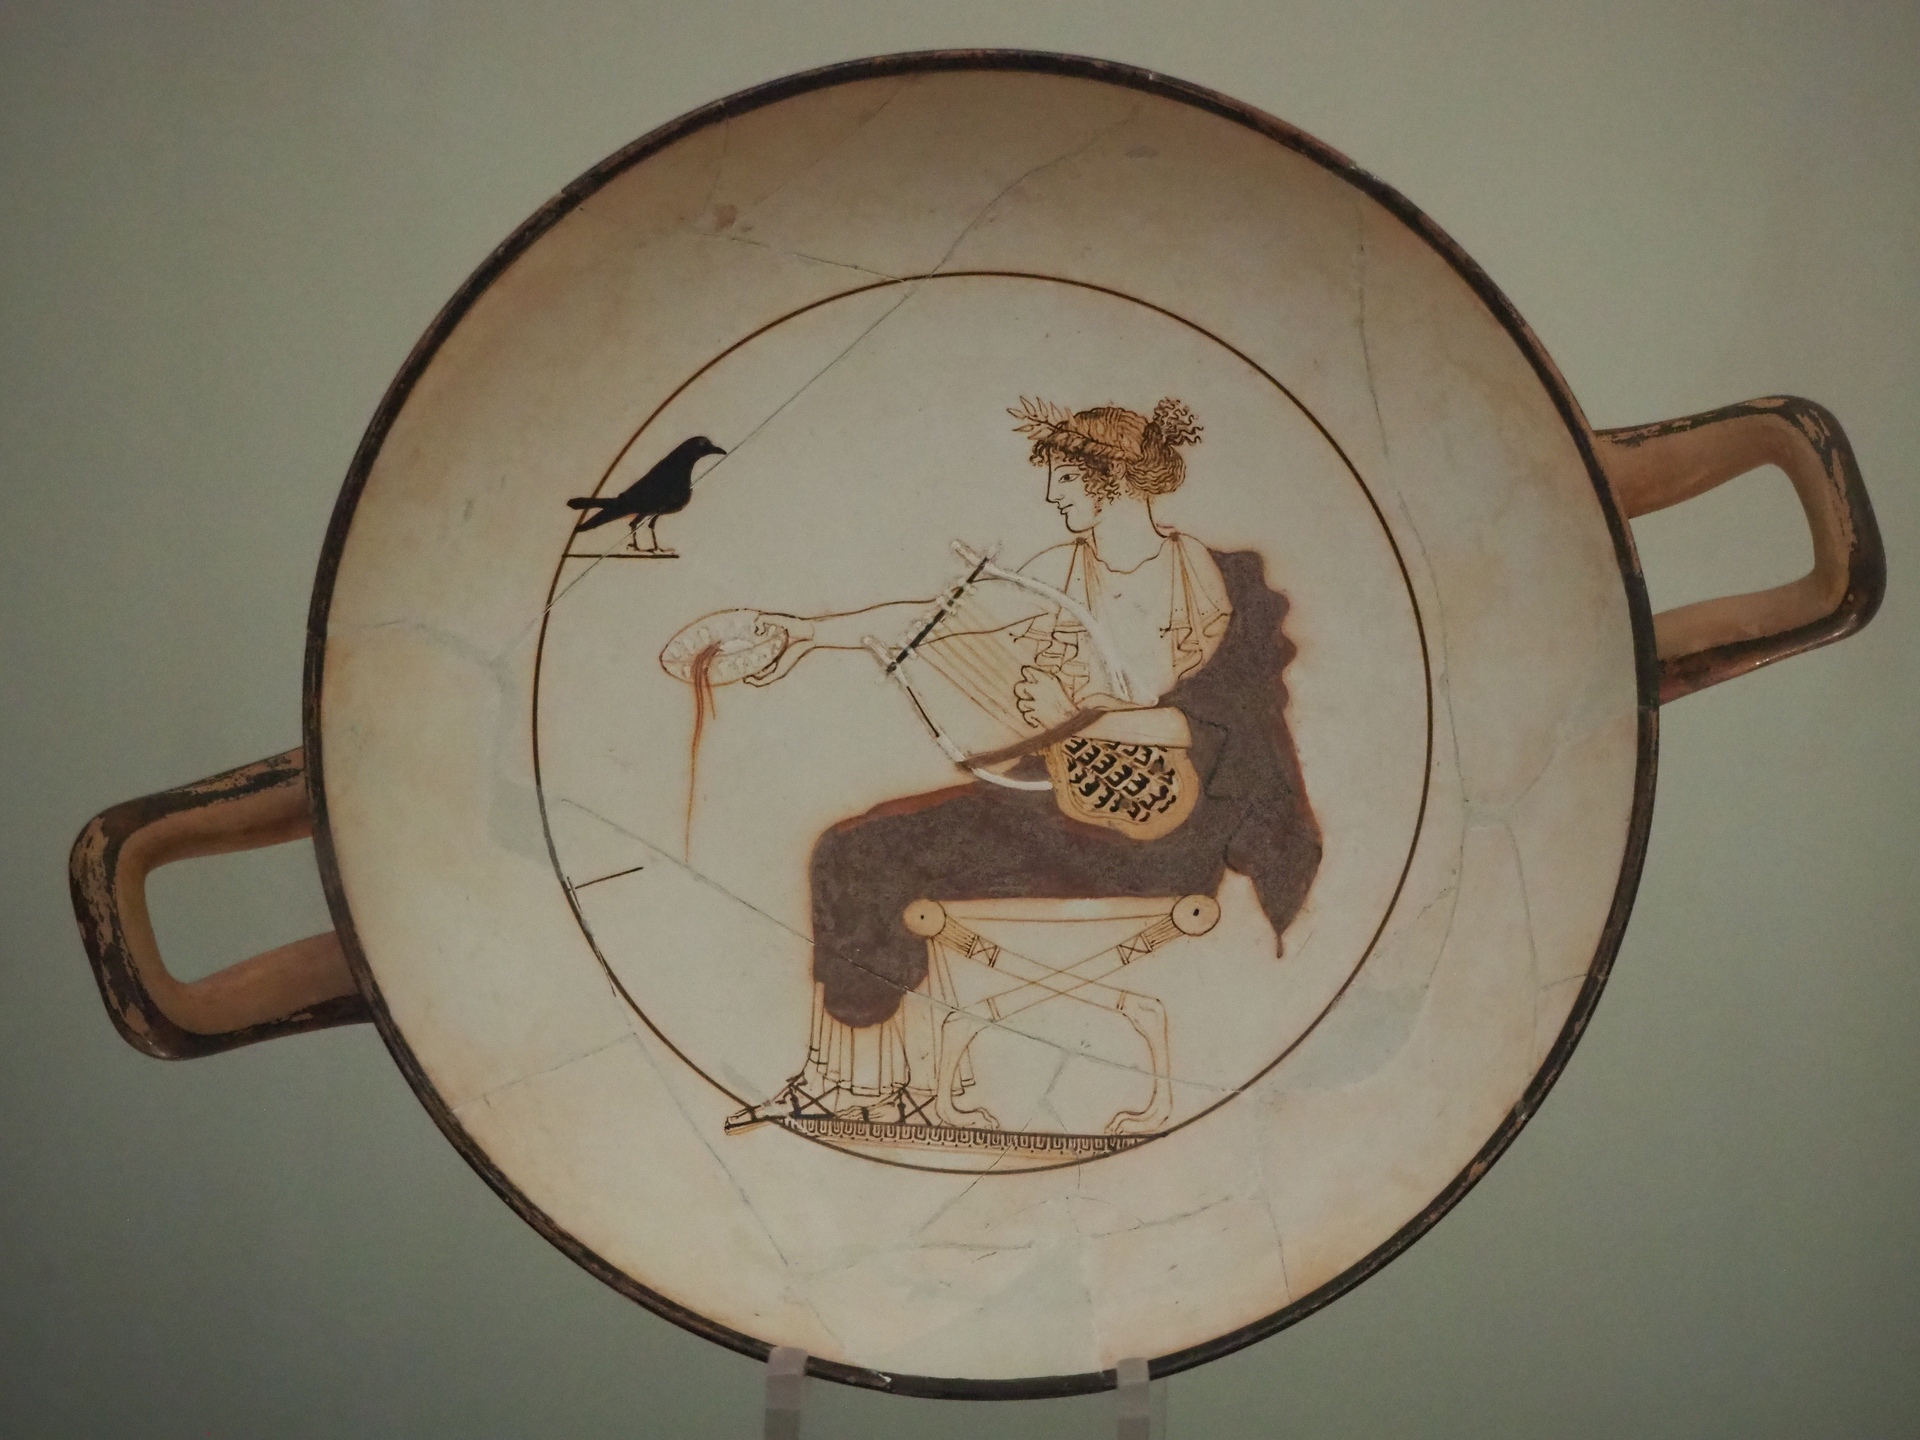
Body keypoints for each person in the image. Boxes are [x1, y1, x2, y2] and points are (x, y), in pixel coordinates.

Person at [725, 397, 1321, 1134]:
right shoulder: (1063, 571)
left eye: (1064, 480)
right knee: (858, 846)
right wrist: (808, 633)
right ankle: (866, 1079)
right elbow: (932, 619)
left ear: (1110, 479)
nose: (1052, 497)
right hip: (1069, 809)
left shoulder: (1211, 581)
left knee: (870, 851)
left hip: (1165, 830)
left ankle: (865, 1081)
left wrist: (1079, 713)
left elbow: (1221, 726)